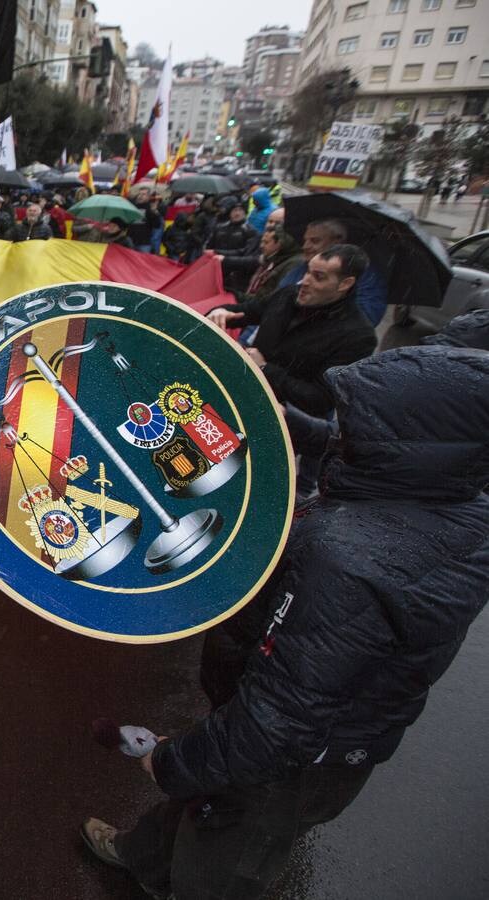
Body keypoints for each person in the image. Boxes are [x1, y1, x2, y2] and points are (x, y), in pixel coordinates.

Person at [82, 341, 489, 900]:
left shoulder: (348, 559)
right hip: (337, 737)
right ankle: (143, 859)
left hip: (285, 763)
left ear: (402, 441)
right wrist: (280, 420)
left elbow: (276, 725)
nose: (340, 427)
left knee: (222, 854)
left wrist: (172, 761)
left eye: (356, 420)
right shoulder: (457, 503)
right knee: (206, 803)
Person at [207, 245, 377, 418]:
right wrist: (221, 311)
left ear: (345, 284)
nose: (305, 281)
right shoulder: (288, 295)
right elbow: (249, 311)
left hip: (278, 419)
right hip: (240, 393)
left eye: (318, 277)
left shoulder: (358, 336)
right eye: (307, 271)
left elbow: (321, 399)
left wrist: (265, 369)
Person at [279, 218, 389, 326]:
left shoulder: (367, 276)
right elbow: (278, 298)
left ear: (337, 241)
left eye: (315, 241)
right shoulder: (300, 268)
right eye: (305, 240)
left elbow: (367, 318)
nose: (305, 246)